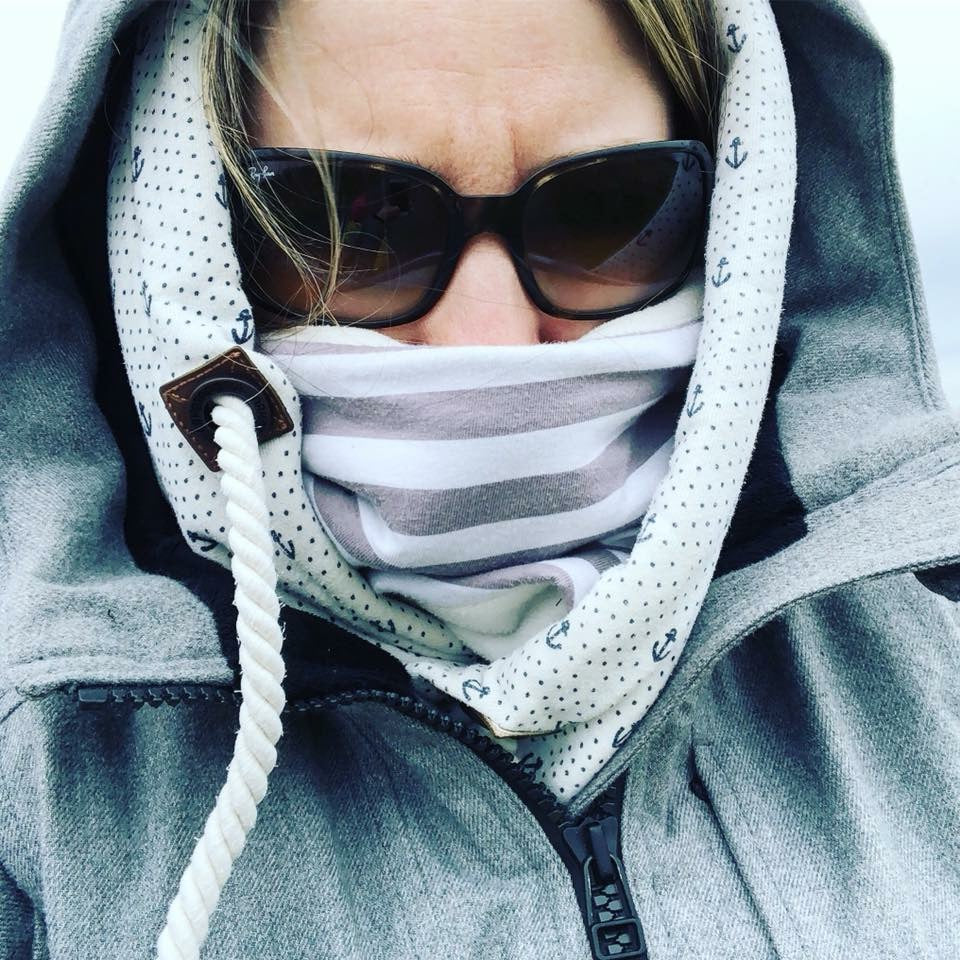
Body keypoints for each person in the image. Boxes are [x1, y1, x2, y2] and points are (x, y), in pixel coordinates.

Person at [1, 0, 958, 957]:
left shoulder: (929, 645)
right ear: (187, 246)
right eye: (347, 225)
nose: (489, 336)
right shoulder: (38, 775)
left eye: (608, 209)